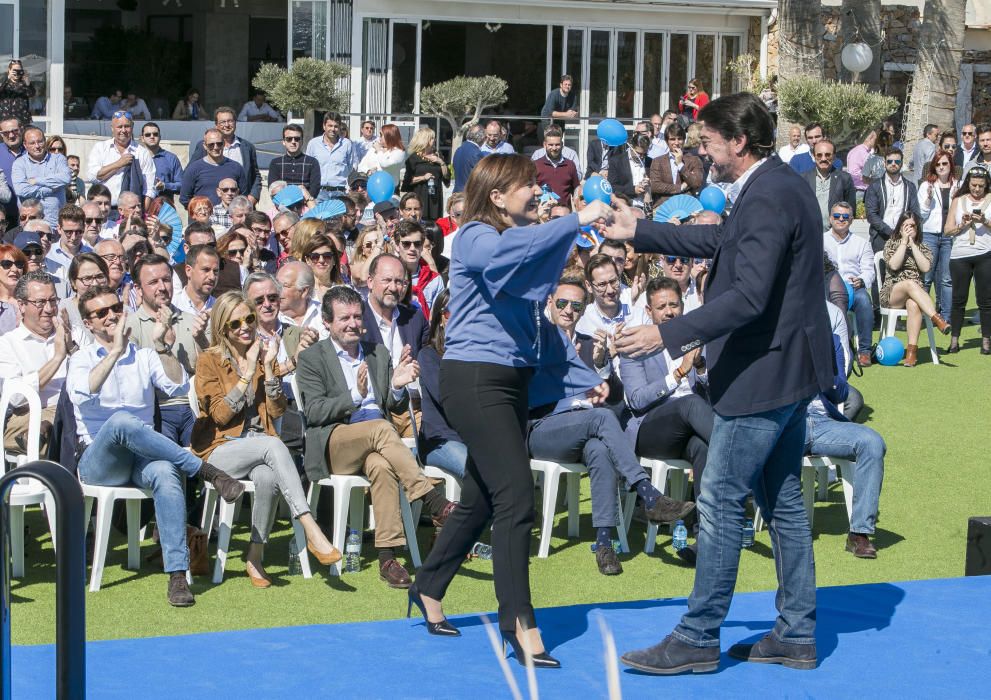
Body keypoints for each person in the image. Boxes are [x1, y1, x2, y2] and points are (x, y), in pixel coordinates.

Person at [605, 92, 834, 674]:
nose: (698, 151)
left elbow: (750, 297)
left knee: (720, 499)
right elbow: (720, 243)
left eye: (706, 142)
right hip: (788, 371)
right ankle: (796, 634)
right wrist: (644, 230)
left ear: (738, 142)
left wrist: (668, 334)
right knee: (782, 502)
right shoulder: (777, 185)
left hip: (762, 376)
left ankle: (699, 635)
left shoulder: (769, 194)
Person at [410, 154, 614, 665]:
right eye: (527, 185)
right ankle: (519, 624)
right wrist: (578, 217)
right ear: (497, 195)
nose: (536, 191)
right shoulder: (476, 235)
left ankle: (428, 586)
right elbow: (512, 253)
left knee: (481, 498)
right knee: (517, 498)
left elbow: (540, 309)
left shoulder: (518, 241)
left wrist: (585, 379)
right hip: (475, 381)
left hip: (511, 383)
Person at [67, 283, 245, 606]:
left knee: (165, 472)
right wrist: (116, 353)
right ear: (88, 323)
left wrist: (164, 346)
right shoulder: (80, 359)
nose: (111, 317)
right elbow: (83, 392)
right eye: (101, 313)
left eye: (115, 310)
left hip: (142, 459)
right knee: (121, 422)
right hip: (98, 460)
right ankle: (203, 470)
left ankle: (178, 575)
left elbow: (177, 387)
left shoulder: (145, 355)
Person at [530, 275, 696, 577]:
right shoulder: (537, 341)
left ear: (583, 309)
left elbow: (617, 400)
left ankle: (604, 544)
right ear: (550, 303)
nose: (569, 310)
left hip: (585, 429)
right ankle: (648, 494)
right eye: (563, 303)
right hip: (543, 427)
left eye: (576, 305)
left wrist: (604, 366)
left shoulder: (589, 345)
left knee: (599, 449)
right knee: (601, 419)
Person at [295, 285, 456, 589]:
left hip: (376, 442)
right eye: (344, 318)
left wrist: (397, 386)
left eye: (357, 316)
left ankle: (387, 556)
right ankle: (433, 500)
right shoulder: (312, 358)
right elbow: (314, 412)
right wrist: (356, 394)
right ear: (327, 322)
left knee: (381, 466)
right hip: (335, 441)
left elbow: (390, 405)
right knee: (382, 429)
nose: (353, 323)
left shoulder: (377, 352)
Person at [191, 290, 339, 586]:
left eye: (249, 319)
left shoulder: (258, 356)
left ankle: (255, 557)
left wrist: (269, 369)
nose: (245, 327)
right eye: (236, 323)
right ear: (223, 328)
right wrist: (246, 376)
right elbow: (219, 416)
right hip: (219, 450)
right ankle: (310, 526)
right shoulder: (209, 360)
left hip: (258, 447)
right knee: (273, 444)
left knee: (268, 478)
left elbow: (277, 410)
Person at [619, 277, 713, 563]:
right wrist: (679, 374)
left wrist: (701, 368)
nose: (669, 311)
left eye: (674, 305)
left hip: (690, 429)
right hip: (651, 428)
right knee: (689, 403)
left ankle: (703, 539)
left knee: (704, 449)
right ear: (649, 311)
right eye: (662, 307)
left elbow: (714, 393)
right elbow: (636, 399)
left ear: (683, 307)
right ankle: (741, 455)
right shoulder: (634, 345)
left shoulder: (696, 341)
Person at [806, 301, 886, 558]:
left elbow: (841, 390)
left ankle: (859, 532)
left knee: (872, 442)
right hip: (786, 421)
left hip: (823, 423)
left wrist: (823, 372)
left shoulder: (830, 341)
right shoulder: (776, 339)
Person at [125, 253, 209, 445]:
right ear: (138, 288)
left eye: (166, 280)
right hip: (155, 408)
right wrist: (164, 347)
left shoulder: (193, 322)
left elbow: (208, 372)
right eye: (153, 282)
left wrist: (202, 341)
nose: (162, 287)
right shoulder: (129, 328)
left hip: (193, 407)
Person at [0, 271, 74, 454]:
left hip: (73, 410)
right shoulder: (7, 344)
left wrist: (74, 351)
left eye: (53, 301)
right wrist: (58, 358)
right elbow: (16, 398)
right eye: (40, 302)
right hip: (28, 414)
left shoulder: (73, 334)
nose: (49, 309)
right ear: (22, 305)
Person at [361, 253, 430, 437]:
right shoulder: (356, 321)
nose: (393, 287)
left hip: (414, 407)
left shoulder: (415, 317)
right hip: (375, 412)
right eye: (387, 280)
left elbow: (428, 360)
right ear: (370, 281)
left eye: (399, 282)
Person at [880, 212, 950, 366]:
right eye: (906, 226)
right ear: (899, 228)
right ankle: (937, 319)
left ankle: (911, 353)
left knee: (913, 304)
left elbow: (925, 267)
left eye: (912, 226)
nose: (909, 229)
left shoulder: (924, 248)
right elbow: (894, 265)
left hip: (915, 296)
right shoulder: (891, 243)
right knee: (910, 283)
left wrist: (913, 245)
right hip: (892, 293)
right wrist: (904, 243)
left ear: (918, 229)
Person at [944, 165, 991, 355]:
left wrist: (984, 221)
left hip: (985, 254)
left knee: (985, 300)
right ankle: (954, 340)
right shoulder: (958, 199)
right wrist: (962, 225)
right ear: (968, 183)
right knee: (958, 299)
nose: (977, 189)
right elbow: (947, 230)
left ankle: (986, 341)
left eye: (981, 186)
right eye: (973, 185)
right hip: (960, 255)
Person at [823, 201, 875, 366]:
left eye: (845, 216)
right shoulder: (819, 240)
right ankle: (833, 346)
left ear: (851, 220)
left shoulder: (862, 243)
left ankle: (864, 351)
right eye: (837, 216)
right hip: (826, 288)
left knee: (865, 300)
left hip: (854, 287)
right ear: (830, 218)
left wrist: (861, 279)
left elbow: (869, 271)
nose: (841, 219)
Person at [188, 108, 262, 205]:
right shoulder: (205, 146)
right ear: (216, 125)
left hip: (239, 208)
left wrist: (253, 198)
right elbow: (190, 174)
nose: (227, 125)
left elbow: (255, 175)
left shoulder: (247, 147)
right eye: (223, 122)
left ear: (235, 123)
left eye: (230, 121)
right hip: (210, 208)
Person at [86, 110, 156, 210]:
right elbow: (92, 176)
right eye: (119, 127)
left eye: (127, 126)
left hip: (131, 212)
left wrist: (142, 215)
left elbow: (149, 189)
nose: (123, 130)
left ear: (132, 127)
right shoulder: (100, 148)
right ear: (112, 128)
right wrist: (119, 164)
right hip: (103, 210)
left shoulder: (142, 153)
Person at [918, 149, 959, 319]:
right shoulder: (926, 185)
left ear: (950, 165)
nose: (941, 167)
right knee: (926, 278)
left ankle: (946, 317)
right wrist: (928, 199)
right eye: (938, 164)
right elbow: (921, 214)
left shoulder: (958, 185)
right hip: (930, 235)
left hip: (950, 236)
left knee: (947, 279)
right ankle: (922, 316)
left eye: (945, 163)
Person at [11, 126, 72, 228]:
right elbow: (21, 190)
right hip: (29, 226)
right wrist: (51, 189)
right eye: (32, 143)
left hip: (55, 225)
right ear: (25, 145)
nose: (37, 146)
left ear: (45, 142)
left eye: (40, 142)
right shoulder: (19, 163)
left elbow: (66, 178)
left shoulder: (58, 159)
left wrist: (36, 181)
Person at [179, 129, 249, 208]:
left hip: (229, 218)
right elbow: (184, 199)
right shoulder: (194, 168)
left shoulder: (236, 167)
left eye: (219, 144)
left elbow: (243, 197)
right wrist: (200, 211)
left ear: (224, 144)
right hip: (201, 218)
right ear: (205, 146)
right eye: (211, 144)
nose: (215, 147)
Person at [802, 139, 856, 232]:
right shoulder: (803, 179)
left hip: (835, 235)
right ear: (814, 156)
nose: (823, 159)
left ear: (834, 156)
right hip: (810, 234)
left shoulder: (844, 178)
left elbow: (850, 210)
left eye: (827, 155)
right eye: (819, 155)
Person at [394, 221, 444, 319]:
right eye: (406, 244)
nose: (412, 248)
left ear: (422, 247)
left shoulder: (434, 279)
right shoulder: (388, 277)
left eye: (417, 244)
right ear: (397, 246)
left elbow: (436, 318)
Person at [306, 112, 358, 201]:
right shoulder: (313, 144)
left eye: (336, 126)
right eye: (330, 126)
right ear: (324, 126)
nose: (333, 129)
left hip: (339, 193)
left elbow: (352, 168)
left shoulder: (347, 144)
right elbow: (307, 168)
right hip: (318, 193)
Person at [649, 123, 703, 207]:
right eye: (672, 139)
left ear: (684, 139)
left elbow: (696, 183)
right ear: (667, 141)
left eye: (679, 139)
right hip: (664, 205)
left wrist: (680, 164)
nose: (676, 142)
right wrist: (680, 188)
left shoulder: (694, 160)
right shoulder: (658, 161)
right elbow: (655, 186)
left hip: (687, 205)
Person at [402, 127, 449, 221]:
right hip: (420, 197)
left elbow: (446, 177)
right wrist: (423, 177)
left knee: (435, 224)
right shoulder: (413, 158)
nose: (434, 140)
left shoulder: (438, 155)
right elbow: (407, 182)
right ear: (425, 140)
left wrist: (441, 162)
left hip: (435, 198)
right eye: (431, 138)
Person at [268, 124, 321, 201]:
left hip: (305, 205)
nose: (293, 142)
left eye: (297, 139)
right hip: (282, 205)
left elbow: (315, 189)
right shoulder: (275, 163)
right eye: (289, 139)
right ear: (283, 142)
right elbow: (273, 188)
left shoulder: (312, 162)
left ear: (302, 141)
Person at [533, 125, 581, 209]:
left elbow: (576, 190)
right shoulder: (536, 165)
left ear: (562, 145)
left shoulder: (570, 165)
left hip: (564, 214)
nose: (554, 148)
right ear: (545, 145)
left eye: (557, 145)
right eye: (550, 145)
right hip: (542, 213)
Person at [139, 122, 183, 204]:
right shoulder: (137, 158)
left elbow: (182, 185)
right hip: (140, 207)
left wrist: (165, 186)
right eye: (148, 135)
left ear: (160, 137)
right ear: (142, 138)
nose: (152, 137)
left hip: (164, 209)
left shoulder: (171, 158)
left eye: (155, 134)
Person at [608, 133, 651, 209]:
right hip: (625, 206)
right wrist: (633, 190)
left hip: (644, 207)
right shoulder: (617, 161)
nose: (641, 157)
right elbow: (612, 187)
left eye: (644, 154)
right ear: (631, 147)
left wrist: (649, 185)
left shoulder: (650, 161)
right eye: (638, 153)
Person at [846, 124, 880, 199]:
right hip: (859, 190)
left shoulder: (863, 151)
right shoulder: (859, 152)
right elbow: (853, 172)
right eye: (876, 139)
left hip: (863, 190)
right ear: (870, 139)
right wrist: (868, 179)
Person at [0, 117, 23, 225]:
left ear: (21, 129)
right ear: (1, 134)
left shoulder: (33, 151)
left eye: (14, 131)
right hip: (4, 218)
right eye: (6, 133)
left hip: (30, 217)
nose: (11, 135)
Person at [452, 124, 486, 193]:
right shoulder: (477, 153)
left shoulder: (459, 149)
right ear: (482, 138)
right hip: (469, 194)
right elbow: (482, 177)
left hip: (457, 192)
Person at [0, 60, 35, 126]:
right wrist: (7, 78)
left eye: (19, 71)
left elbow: (32, 94)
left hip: (22, 119)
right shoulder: (4, 82)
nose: (17, 73)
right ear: (9, 70)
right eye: (14, 70)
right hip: (6, 119)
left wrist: (27, 82)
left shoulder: (24, 83)